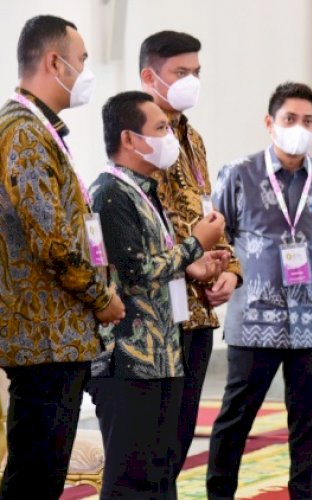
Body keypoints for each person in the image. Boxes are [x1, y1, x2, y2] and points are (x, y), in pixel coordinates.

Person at [0, 15, 126, 498]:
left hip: (56, 335)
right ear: (55, 62)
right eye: (82, 60)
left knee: (41, 477)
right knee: (34, 480)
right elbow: (52, 242)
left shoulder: (38, 130)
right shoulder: (24, 133)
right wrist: (101, 298)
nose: (84, 70)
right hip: (43, 337)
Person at [207, 82, 312, 499]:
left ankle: (304, 494)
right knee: (237, 416)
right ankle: (219, 494)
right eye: (290, 119)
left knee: (308, 421)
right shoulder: (238, 174)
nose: (299, 128)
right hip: (254, 317)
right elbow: (219, 235)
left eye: (308, 121)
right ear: (270, 123)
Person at [87, 90, 227, 499]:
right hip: (127, 359)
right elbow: (132, 274)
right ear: (130, 139)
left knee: (161, 474)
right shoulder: (110, 193)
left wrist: (190, 265)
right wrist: (194, 245)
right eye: (161, 128)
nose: (171, 138)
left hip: (161, 356)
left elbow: (153, 259)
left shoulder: (143, 189)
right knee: (131, 481)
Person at [139, 30, 242, 477]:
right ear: (150, 76)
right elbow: (139, 221)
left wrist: (230, 270)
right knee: (149, 444)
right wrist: (191, 259)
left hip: (197, 310)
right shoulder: (139, 131)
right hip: (157, 311)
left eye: (196, 73)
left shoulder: (191, 137)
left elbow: (206, 211)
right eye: (181, 73)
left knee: (179, 439)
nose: (192, 82)